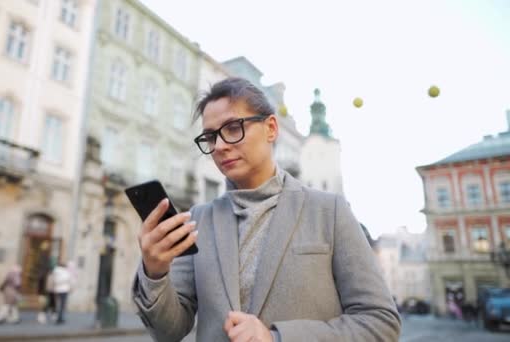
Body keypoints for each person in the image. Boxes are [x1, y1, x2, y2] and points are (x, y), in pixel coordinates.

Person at [132, 77, 401, 341]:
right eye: (210, 137)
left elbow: (380, 323)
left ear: (271, 128)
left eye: (233, 127)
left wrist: (277, 338)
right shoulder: (198, 220)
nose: (221, 146)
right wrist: (155, 271)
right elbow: (169, 331)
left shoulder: (329, 211)